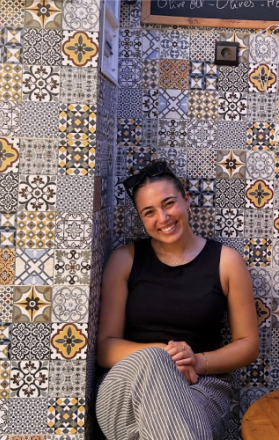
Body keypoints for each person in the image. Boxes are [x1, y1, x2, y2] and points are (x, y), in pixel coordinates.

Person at [96, 160, 259, 440]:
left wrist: (195, 361)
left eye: (168, 203)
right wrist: (164, 356)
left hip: (200, 388)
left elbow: (248, 344)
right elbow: (106, 348)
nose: (163, 218)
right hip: (125, 388)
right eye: (149, 212)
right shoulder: (123, 261)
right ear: (141, 218)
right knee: (153, 361)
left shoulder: (227, 262)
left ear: (185, 199)